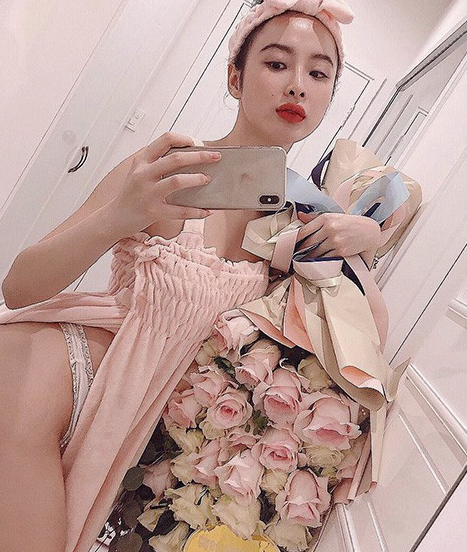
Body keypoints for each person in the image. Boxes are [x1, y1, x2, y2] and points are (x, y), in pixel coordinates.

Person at [0, 1, 384, 551]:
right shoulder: (172, 168)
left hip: (127, 431)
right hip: (51, 381)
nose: (297, 85)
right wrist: (120, 216)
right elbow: (19, 286)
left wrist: (369, 236)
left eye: (319, 73)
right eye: (277, 64)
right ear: (235, 78)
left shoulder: (300, 219)